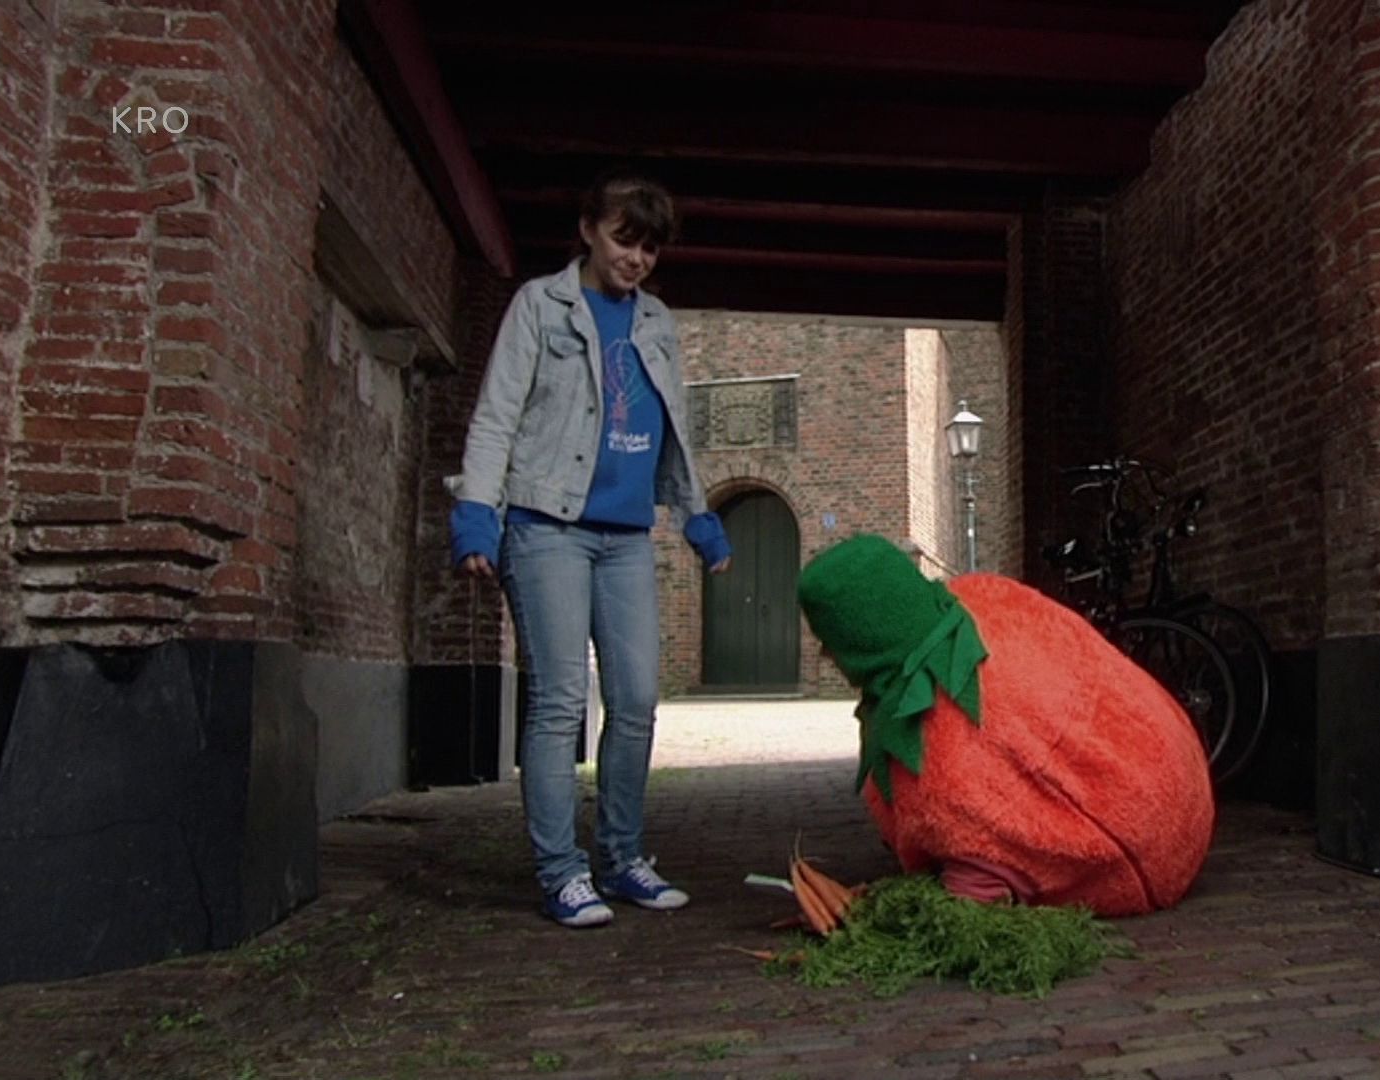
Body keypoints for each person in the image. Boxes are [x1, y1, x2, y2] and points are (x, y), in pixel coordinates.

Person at [448, 171, 731, 928]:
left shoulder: (656, 321)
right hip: (549, 525)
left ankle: (622, 857)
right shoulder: (539, 306)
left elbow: (673, 426)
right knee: (561, 701)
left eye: (649, 248)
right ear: (587, 230)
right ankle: (561, 872)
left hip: (626, 534)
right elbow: (497, 414)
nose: (635, 259)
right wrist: (476, 514)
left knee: (636, 700)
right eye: (622, 240)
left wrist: (698, 518)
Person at [796, 534, 1214, 917]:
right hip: (1182, 781)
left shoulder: (936, 745)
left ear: (856, 640)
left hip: (1145, 856)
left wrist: (929, 911)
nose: (827, 656)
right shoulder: (990, 596)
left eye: (829, 643)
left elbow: (973, 831)